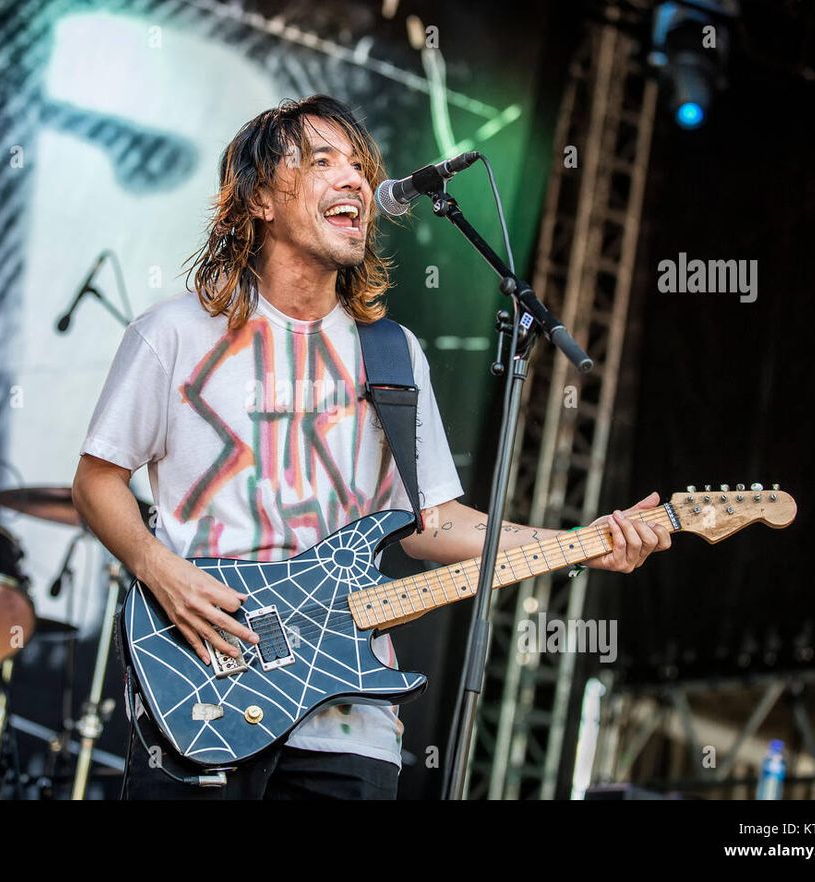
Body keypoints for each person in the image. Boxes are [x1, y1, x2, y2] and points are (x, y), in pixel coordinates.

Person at [72, 95, 672, 799]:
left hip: (348, 722)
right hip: (205, 690)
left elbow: (435, 524)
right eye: (323, 161)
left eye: (359, 165)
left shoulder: (391, 353)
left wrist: (581, 541)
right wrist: (158, 568)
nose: (354, 180)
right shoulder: (175, 333)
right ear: (261, 197)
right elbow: (96, 481)